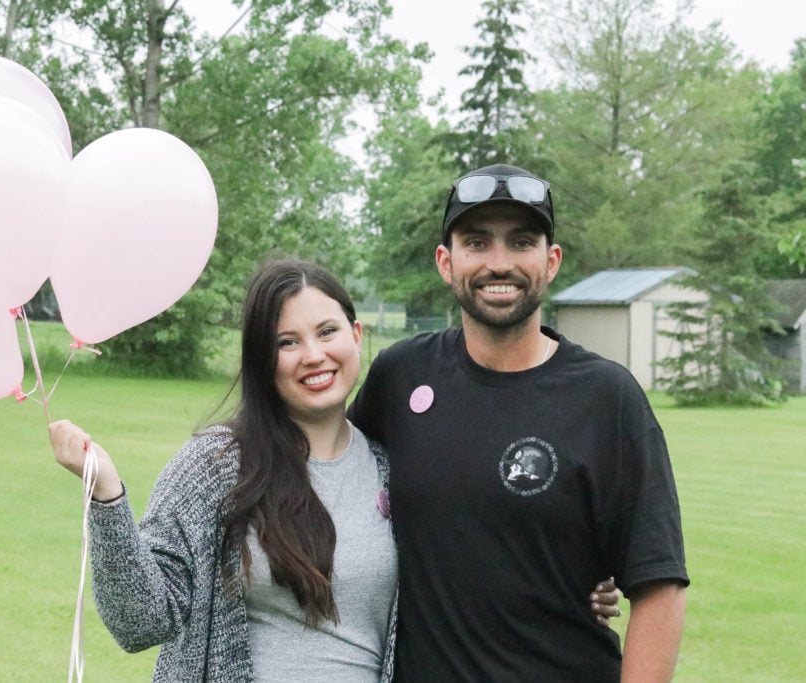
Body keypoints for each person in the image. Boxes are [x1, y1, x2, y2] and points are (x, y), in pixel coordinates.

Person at [50, 258, 622, 682]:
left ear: (356, 335)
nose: (314, 355)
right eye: (287, 342)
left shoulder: (391, 465)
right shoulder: (216, 466)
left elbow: (470, 554)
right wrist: (106, 495)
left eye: (327, 332)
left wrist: (575, 581)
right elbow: (140, 621)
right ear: (261, 360)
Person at [348, 163, 689, 682]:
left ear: (551, 261)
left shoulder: (606, 397)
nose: (499, 263)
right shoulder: (400, 376)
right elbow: (325, 478)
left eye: (522, 241)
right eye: (478, 243)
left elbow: (659, 587)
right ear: (446, 261)